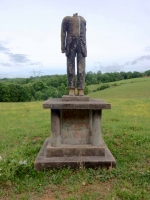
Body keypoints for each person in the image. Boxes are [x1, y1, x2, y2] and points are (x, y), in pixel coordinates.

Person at [61, 13, 87, 96]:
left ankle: (81, 89)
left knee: (81, 67)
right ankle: (71, 88)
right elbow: (63, 33)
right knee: (70, 67)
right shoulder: (66, 19)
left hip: (81, 44)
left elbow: (84, 34)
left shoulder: (83, 20)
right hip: (70, 44)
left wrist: (85, 47)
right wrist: (63, 47)